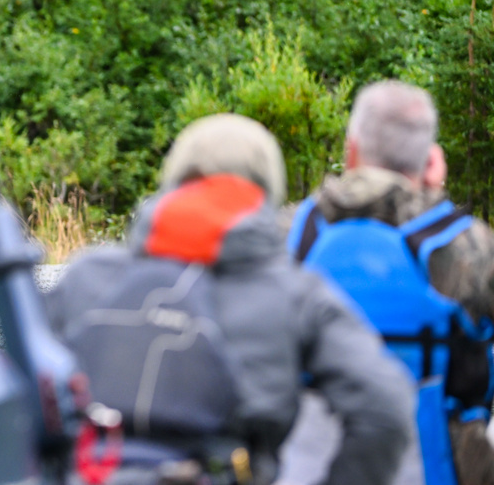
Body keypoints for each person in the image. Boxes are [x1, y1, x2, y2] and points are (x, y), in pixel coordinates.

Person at [45, 114, 415, 485]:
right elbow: (386, 408)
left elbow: (17, 386)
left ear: (172, 182)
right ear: (268, 194)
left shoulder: (87, 274)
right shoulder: (296, 293)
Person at [282, 81, 494, 485]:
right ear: (430, 158)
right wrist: (432, 199)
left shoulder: (290, 233)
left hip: (303, 468)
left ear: (352, 150)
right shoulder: (469, 246)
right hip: (436, 469)